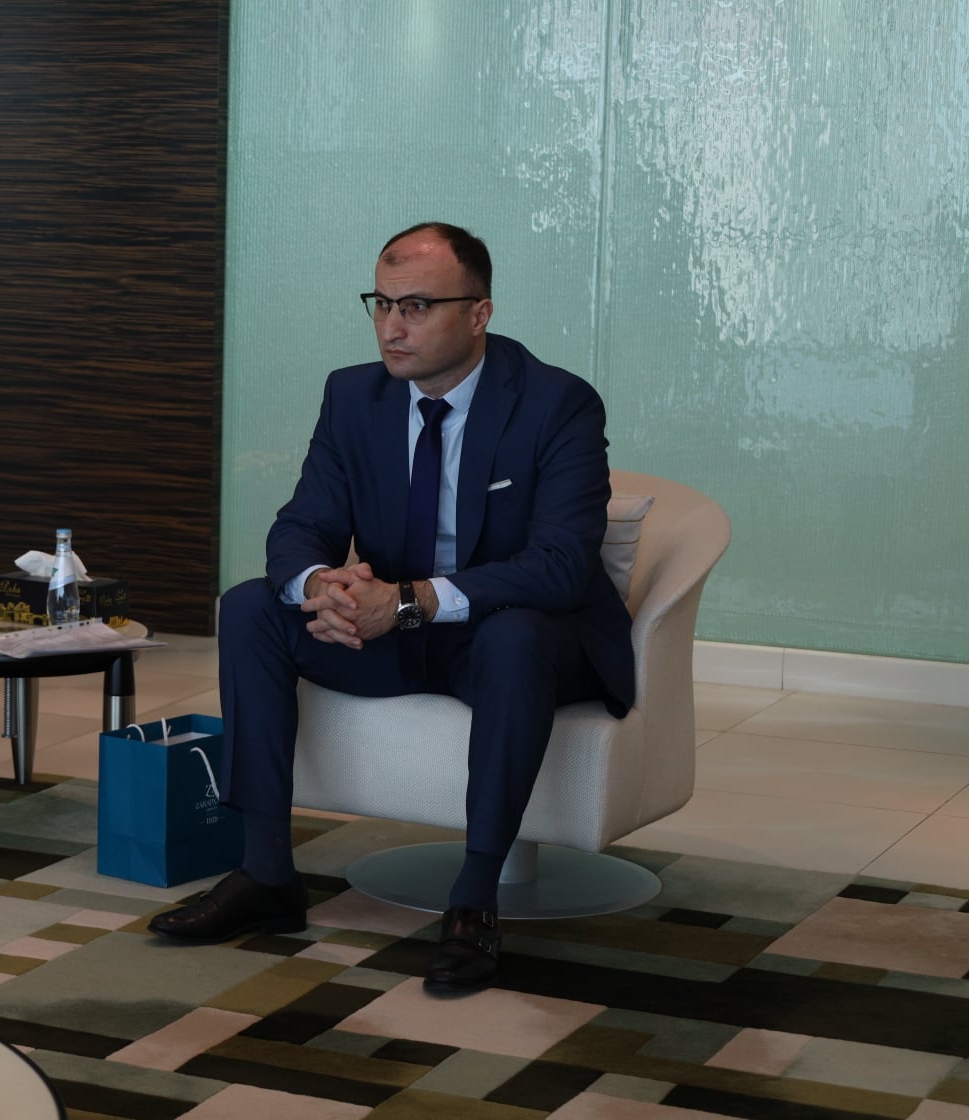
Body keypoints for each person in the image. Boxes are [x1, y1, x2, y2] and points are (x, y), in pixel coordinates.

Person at [148, 222, 634, 995]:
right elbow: (302, 523)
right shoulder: (354, 396)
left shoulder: (556, 403)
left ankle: (473, 901)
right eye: (380, 303)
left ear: (478, 314)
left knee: (514, 638)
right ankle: (266, 874)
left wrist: (407, 603)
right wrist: (320, 585)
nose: (391, 327)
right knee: (249, 608)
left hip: (513, 635)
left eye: (416, 306)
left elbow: (560, 565)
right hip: (391, 626)